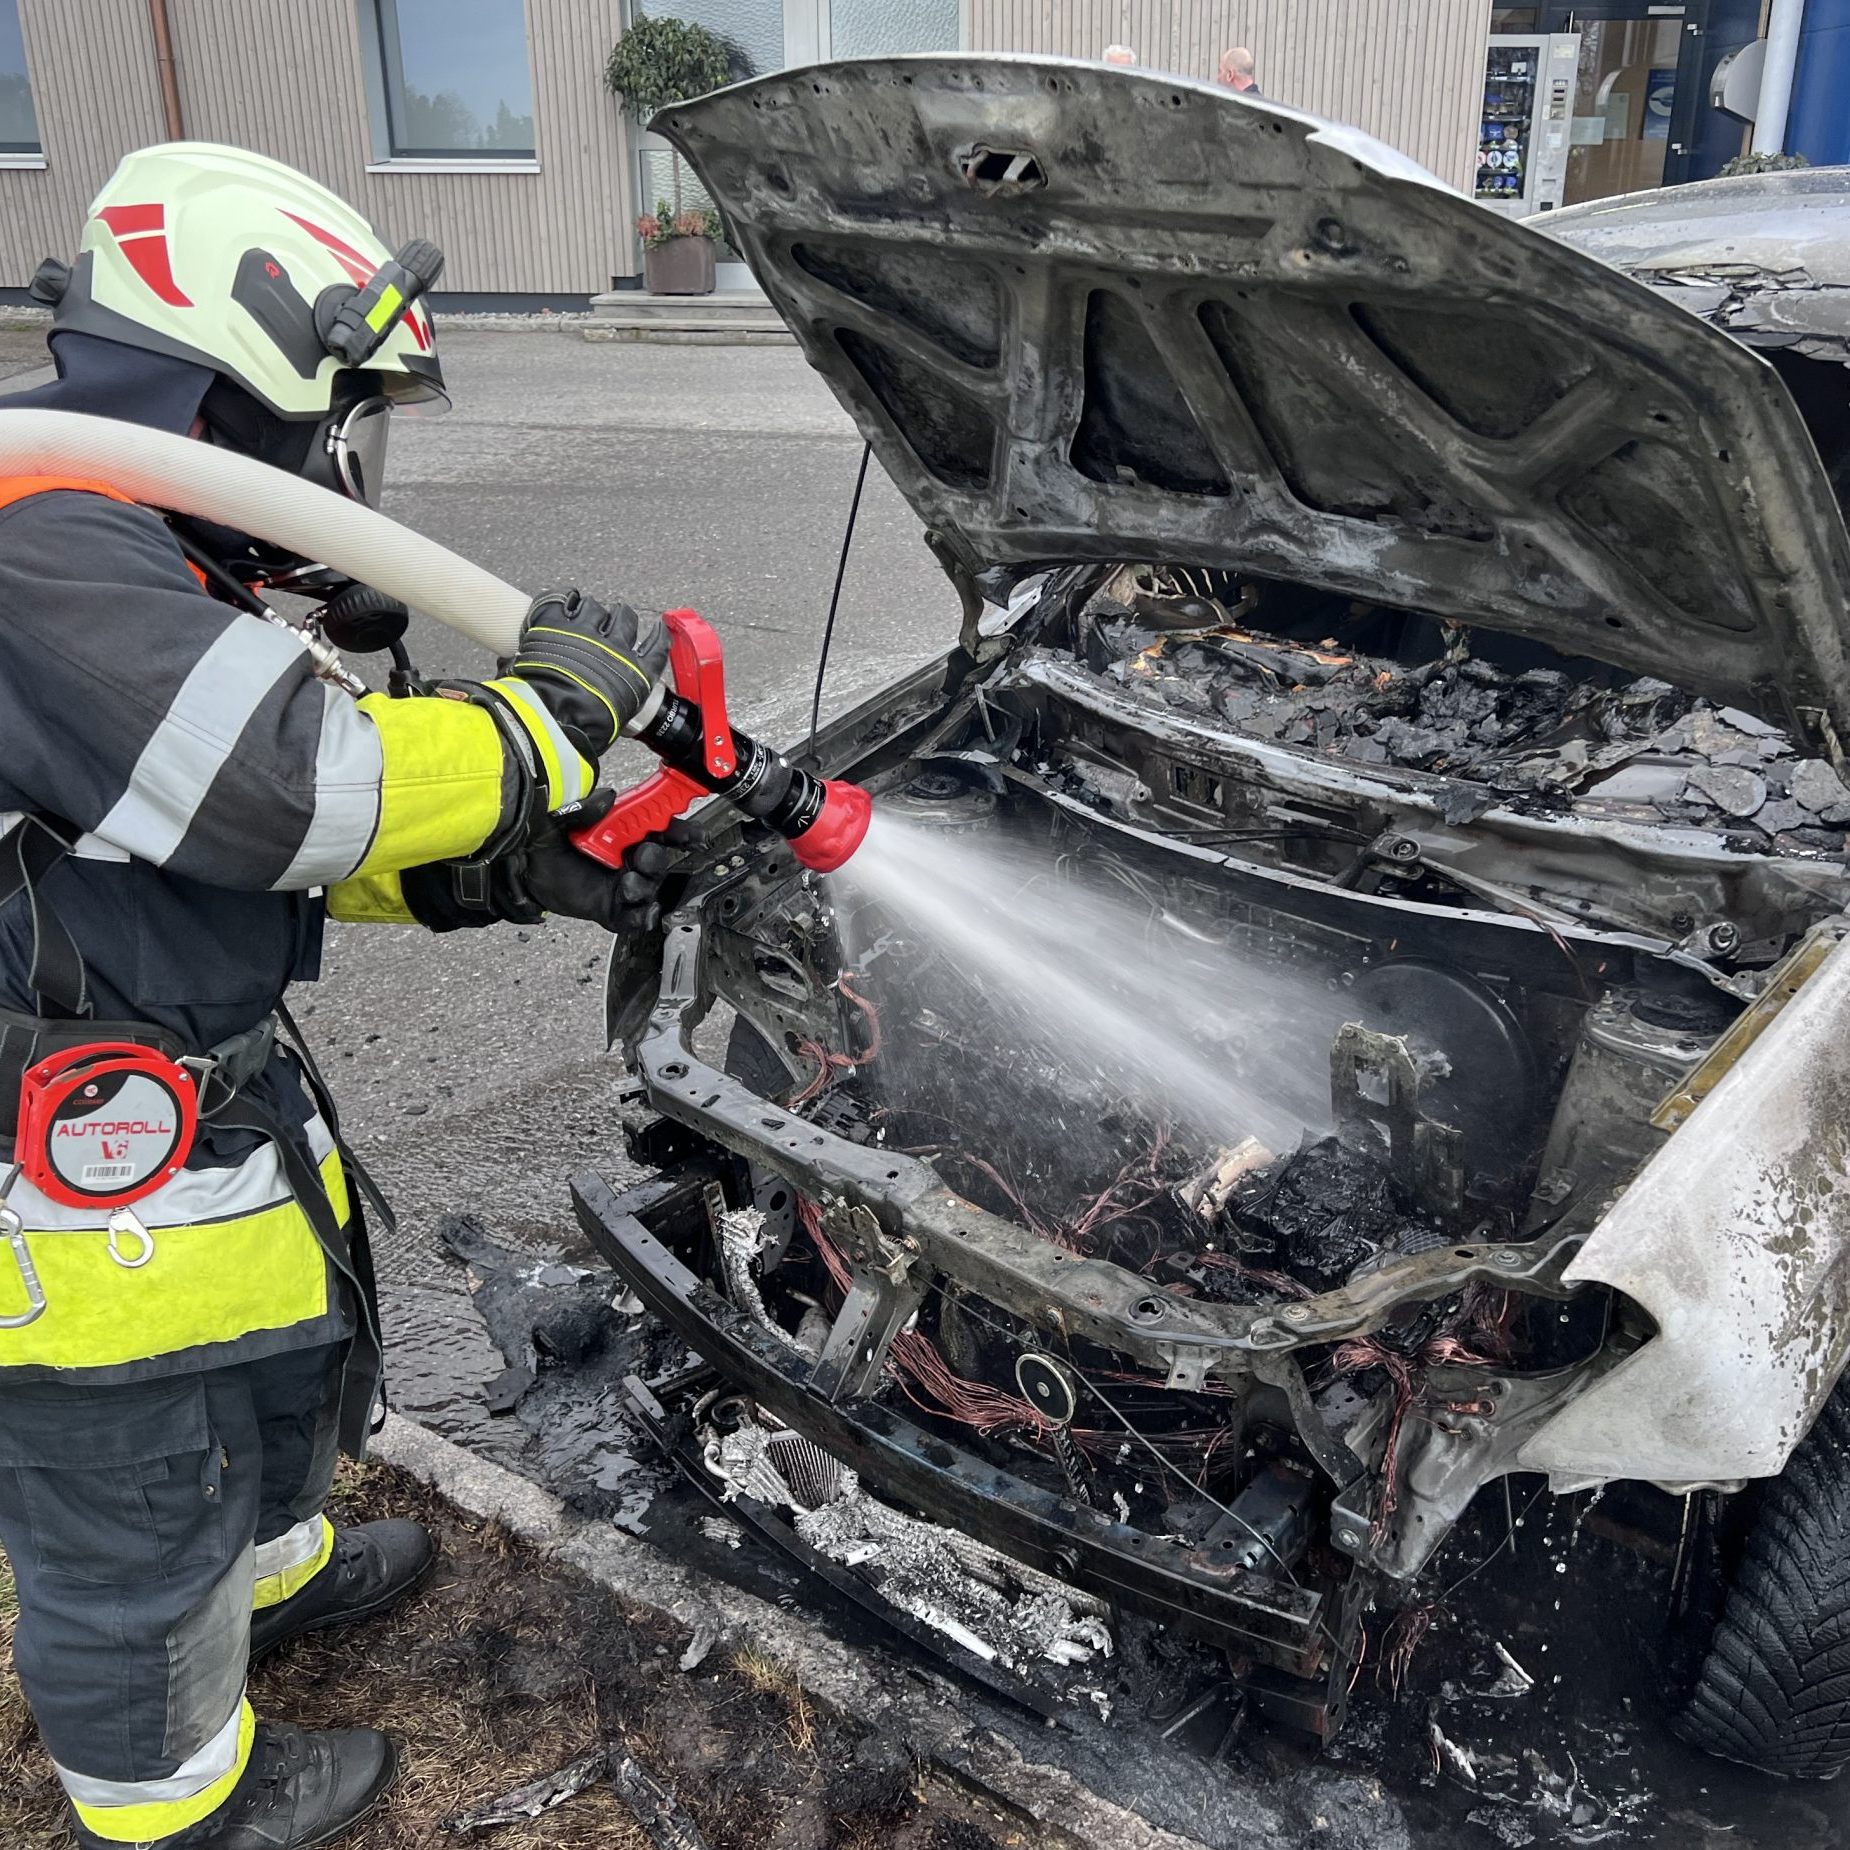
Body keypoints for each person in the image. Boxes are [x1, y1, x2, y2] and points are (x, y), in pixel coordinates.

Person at [0, 142, 685, 1849]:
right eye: (333, 416)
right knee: (128, 1497)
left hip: (164, 1089)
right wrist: (545, 723)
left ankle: (273, 1579)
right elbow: (279, 792)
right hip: (66, 1161)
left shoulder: (129, 537)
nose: (342, 462)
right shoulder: (40, 547)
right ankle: (176, 1802)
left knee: (246, 1398)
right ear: (233, 384)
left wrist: (498, 862)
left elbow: (221, 833)